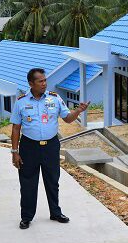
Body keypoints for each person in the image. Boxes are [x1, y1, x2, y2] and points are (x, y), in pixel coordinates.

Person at [10, 68, 90, 229]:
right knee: (27, 184)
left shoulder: (55, 99)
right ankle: (26, 217)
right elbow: (16, 129)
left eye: (45, 80)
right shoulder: (21, 102)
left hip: (51, 146)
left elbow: (67, 119)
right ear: (31, 83)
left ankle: (55, 212)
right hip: (29, 147)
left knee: (53, 181)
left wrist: (78, 111)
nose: (44, 84)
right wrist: (15, 152)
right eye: (40, 81)